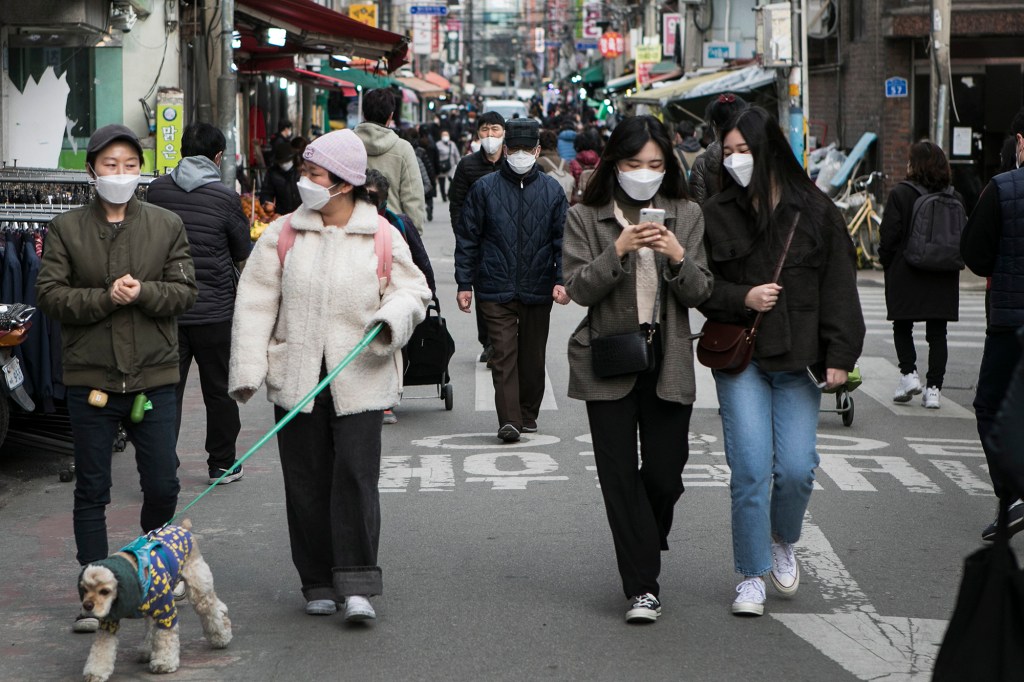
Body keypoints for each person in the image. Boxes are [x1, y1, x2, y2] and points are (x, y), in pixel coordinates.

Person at [228, 130, 430, 622]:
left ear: (344, 183)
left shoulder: (382, 234)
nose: (305, 182)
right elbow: (255, 304)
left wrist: (390, 319)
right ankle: (316, 580)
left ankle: (357, 581)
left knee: (356, 479)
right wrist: (250, 369)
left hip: (360, 380)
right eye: (305, 173)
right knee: (305, 482)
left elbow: (415, 291)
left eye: (314, 175)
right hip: (297, 381)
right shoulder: (284, 234)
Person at [698, 106, 864, 617]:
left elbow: (840, 286)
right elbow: (703, 289)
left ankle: (782, 538)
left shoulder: (815, 211)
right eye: (727, 153)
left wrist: (841, 354)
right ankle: (750, 575)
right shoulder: (716, 212)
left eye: (744, 151)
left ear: (768, 150)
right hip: (742, 358)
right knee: (749, 470)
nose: (735, 161)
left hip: (798, 358)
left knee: (795, 470)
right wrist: (741, 297)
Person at [36, 124, 198, 632]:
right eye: (110, 165)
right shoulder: (66, 228)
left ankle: (149, 567)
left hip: (154, 374)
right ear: (92, 170)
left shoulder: (166, 223)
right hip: (92, 378)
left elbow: (185, 291)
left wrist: (143, 292)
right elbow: (50, 296)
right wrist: (105, 297)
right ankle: (93, 589)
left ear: (141, 169)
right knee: (92, 487)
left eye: (130, 165)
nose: (121, 174)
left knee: (163, 481)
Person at [562, 115, 713, 624]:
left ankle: (644, 536)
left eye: (655, 163)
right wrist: (618, 250)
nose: (645, 172)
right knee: (618, 475)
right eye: (633, 163)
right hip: (608, 356)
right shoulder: (587, 215)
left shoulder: (687, 213)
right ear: (614, 164)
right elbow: (578, 288)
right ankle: (643, 587)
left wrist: (675, 256)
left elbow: (701, 291)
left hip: (667, 356)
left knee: (666, 474)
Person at [147, 122, 253, 484]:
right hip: (215, 313)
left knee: (165, 392)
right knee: (220, 390)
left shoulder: (155, 191)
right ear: (218, 156)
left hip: (166, 313)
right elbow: (243, 252)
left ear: (180, 150)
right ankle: (221, 464)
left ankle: (162, 465)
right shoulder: (224, 198)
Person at [454, 119, 570, 442]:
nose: (520, 154)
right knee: (503, 355)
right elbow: (468, 239)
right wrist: (464, 283)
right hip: (494, 286)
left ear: (537, 150)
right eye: (514, 149)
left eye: (525, 149)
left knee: (532, 356)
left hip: (537, 286)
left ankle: (528, 412)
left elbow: (563, 240)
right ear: (505, 151)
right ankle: (509, 420)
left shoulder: (552, 191)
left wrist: (562, 279)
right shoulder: (484, 189)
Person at [962, 106, 1024, 541]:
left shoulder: (1002, 188)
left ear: (1020, 143)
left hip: (1010, 323)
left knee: (991, 408)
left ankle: (1013, 494)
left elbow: (975, 254)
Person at [878, 141, 963, 409]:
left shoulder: (901, 194)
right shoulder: (954, 197)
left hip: (907, 271)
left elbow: (889, 236)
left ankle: (909, 374)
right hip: (943, 274)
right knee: (938, 333)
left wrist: (887, 263)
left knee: (902, 325)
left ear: (915, 166)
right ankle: (934, 390)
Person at [363, 168, 437, 425]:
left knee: (392, 344)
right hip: (358, 297)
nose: (367, 204)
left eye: (372, 199)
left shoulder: (397, 224)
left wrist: (429, 295)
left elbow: (420, 262)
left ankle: (387, 398)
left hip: (390, 296)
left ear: (383, 201)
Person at [449, 111, 506, 366]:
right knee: (483, 295)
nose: (490, 135)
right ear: (477, 134)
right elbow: (457, 204)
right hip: (479, 241)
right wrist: (463, 234)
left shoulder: (513, 163)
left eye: (495, 129)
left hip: (509, 240)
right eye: (485, 130)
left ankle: (504, 342)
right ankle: (489, 342)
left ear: (504, 133)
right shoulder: (467, 165)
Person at [354, 88, 426, 231]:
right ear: (390, 116)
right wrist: (414, 233)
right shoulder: (403, 148)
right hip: (392, 230)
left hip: (353, 228)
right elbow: (413, 196)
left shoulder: (348, 143)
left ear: (363, 114)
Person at [689, 94, 748, 206]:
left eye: (743, 150)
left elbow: (699, 209)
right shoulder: (760, 153)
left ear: (714, 125)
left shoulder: (701, 163)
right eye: (728, 153)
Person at [260, 141, 301, 215]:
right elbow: (266, 191)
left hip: (301, 212)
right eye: (281, 162)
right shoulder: (272, 172)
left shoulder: (300, 171)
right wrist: (267, 202)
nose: (284, 164)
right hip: (281, 213)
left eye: (287, 161)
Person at [435, 128, 461, 202]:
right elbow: (435, 156)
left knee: (453, 181)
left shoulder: (452, 144)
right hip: (441, 167)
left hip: (451, 166)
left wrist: (459, 164)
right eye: (443, 135)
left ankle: (449, 194)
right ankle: (443, 196)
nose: (445, 136)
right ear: (441, 136)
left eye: (446, 135)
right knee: (442, 183)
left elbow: (457, 155)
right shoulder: (438, 144)